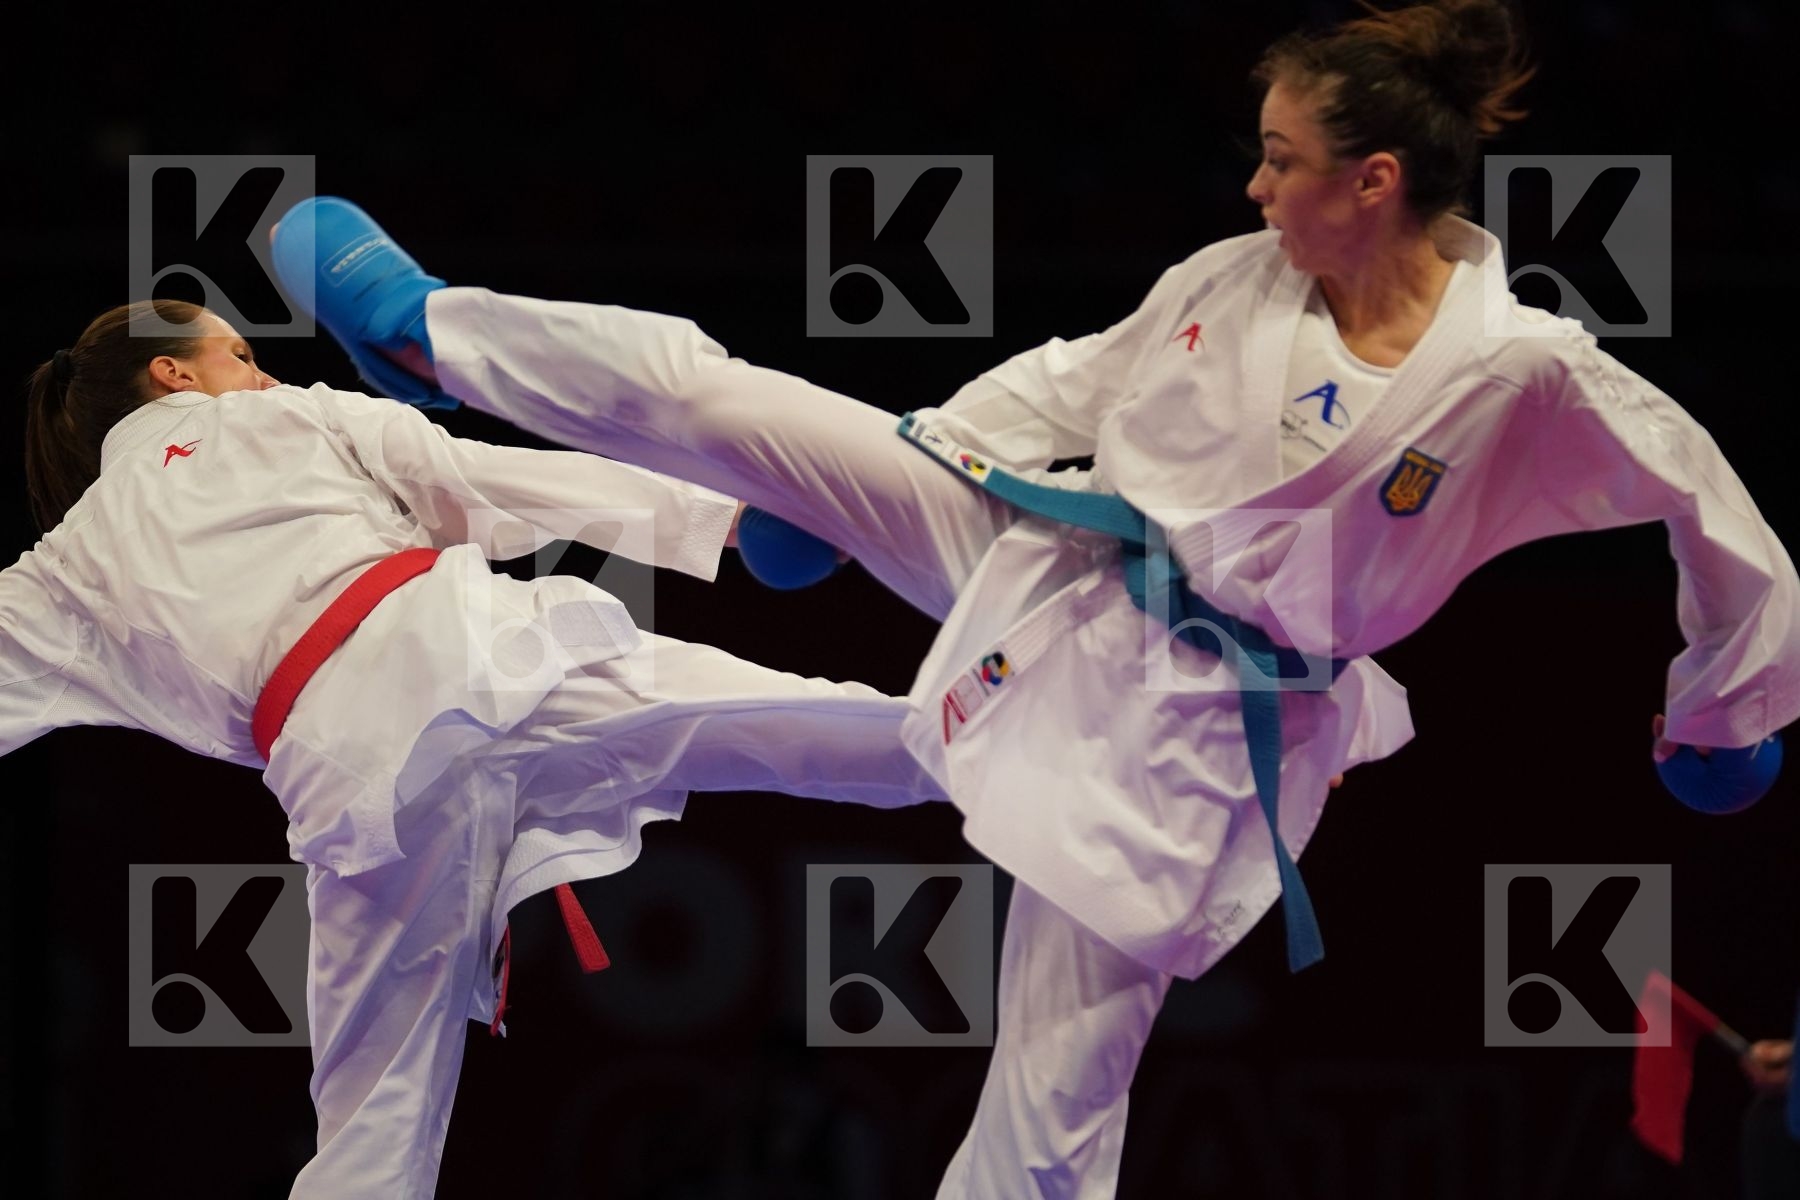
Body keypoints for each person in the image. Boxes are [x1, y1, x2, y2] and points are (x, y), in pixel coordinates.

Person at [275, 1, 1800, 1194]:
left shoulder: (1519, 371)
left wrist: (1722, 709)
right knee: (727, 402)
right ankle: (431, 333)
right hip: (1065, 563)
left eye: (1280, 158)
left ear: (1373, 182)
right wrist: (924, 455)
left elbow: (1716, 507)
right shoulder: (1240, 278)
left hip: (1201, 727)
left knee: (1058, 1108)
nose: (1255, 182)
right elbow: (1082, 374)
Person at [2, 299, 951, 1198]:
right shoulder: (292, 417)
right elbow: (493, 480)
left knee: (367, 1132)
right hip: (486, 662)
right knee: (795, 724)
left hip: (354, 785)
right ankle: (1005, 726)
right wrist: (729, 519)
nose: (262, 372)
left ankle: (993, 735)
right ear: (172, 374)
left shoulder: (64, 574)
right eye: (239, 356)